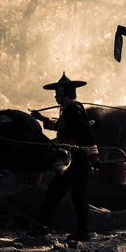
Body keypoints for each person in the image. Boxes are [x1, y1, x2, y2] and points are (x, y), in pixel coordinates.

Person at [30, 72, 98, 241]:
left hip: (77, 157)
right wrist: (41, 118)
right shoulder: (70, 110)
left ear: (63, 93)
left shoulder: (73, 109)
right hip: (79, 156)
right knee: (79, 193)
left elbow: (84, 133)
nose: (55, 97)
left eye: (56, 93)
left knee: (55, 189)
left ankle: (40, 226)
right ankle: (83, 231)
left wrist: (62, 143)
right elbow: (63, 127)